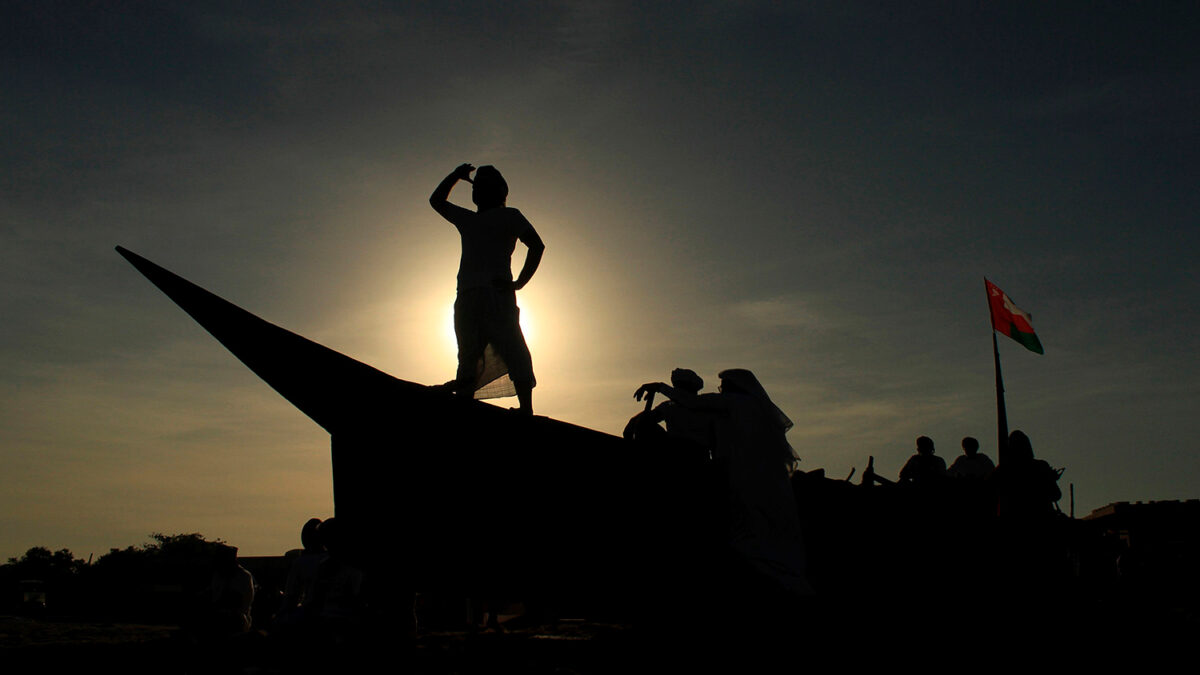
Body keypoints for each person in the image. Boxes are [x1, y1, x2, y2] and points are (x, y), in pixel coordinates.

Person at [634, 369, 811, 596]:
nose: (721, 390)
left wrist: (659, 387)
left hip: (740, 472)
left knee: (749, 524)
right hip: (756, 474)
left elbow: (692, 405)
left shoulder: (734, 403)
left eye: (723, 386)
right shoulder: (753, 408)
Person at [430, 163, 545, 414]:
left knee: (513, 348)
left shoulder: (511, 216)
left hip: (496, 294)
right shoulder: (469, 219)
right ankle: (466, 400)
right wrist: (455, 176)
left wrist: (519, 283)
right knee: (469, 354)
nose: (479, 192)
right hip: (468, 295)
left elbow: (537, 246)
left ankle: (526, 409)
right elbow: (436, 201)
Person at [624, 368, 715, 458]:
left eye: (679, 387)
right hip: (673, 449)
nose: (676, 391)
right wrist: (636, 421)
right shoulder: (670, 406)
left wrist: (658, 387)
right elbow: (645, 420)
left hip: (696, 453)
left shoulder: (705, 404)